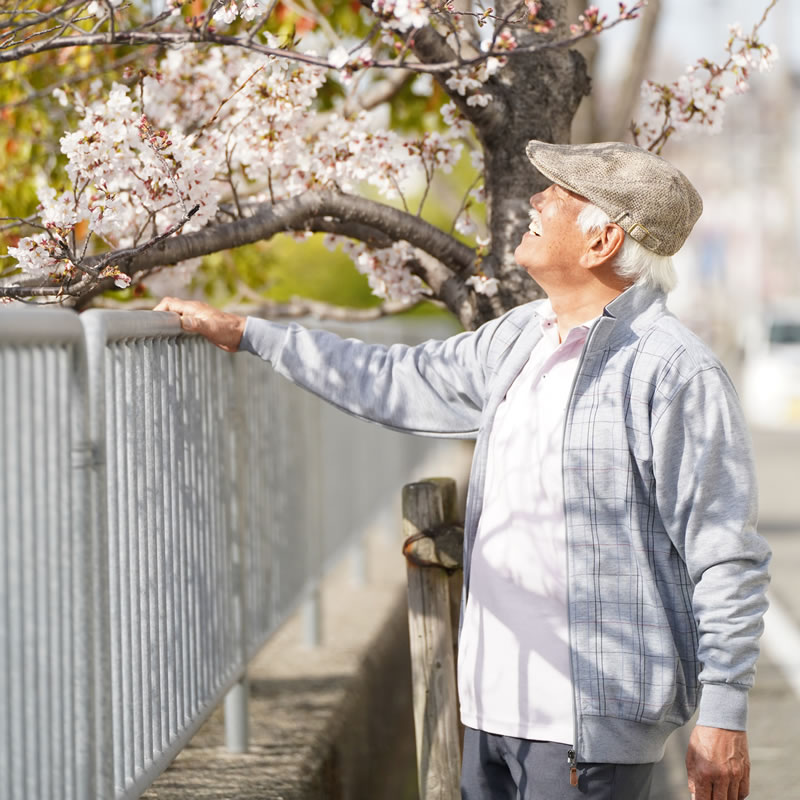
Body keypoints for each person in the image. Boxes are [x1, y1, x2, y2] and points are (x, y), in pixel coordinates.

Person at [154, 140, 771, 800]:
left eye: (558, 196)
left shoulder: (673, 370)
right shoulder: (522, 336)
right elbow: (394, 378)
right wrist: (252, 334)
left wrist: (724, 718)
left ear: (601, 242)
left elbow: (724, 553)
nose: (535, 200)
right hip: (489, 708)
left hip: (588, 728)